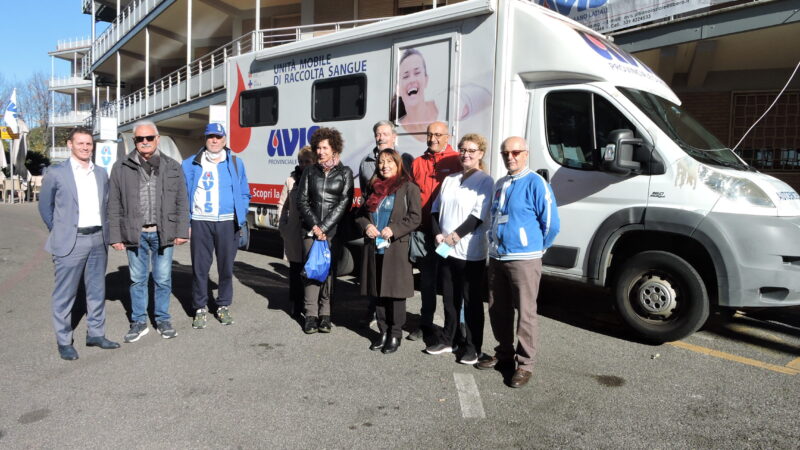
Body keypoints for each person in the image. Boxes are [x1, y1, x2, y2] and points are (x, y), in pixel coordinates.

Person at [476, 137, 560, 388]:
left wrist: (535, 248)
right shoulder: (501, 183)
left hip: (524, 258)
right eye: (505, 153)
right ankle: (504, 354)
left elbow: (551, 224)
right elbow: (495, 216)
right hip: (498, 256)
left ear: (526, 154)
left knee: (525, 313)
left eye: (515, 152)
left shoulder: (536, 183)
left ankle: (525, 364)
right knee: (498, 309)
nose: (510, 157)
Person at [38, 127, 120, 360]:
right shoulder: (56, 173)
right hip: (70, 241)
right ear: (70, 144)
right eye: (81, 143)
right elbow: (45, 207)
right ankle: (64, 340)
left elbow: (106, 206)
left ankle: (96, 333)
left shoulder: (101, 173)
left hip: (97, 239)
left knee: (96, 290)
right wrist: (59, 230)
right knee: (65, 294)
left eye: (89, 144)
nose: (85, 147)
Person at [108, 120, 190, 342]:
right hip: (135, 233)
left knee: (163, 279)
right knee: (137, 279)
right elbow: (113, 203)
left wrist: (183, 230)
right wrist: (115, 235)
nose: (145, 142)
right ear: (134, 141)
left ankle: (162, 319)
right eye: (140, 139)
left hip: (164, 232)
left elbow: (183, 200)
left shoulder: (173, 166)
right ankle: (139, 321)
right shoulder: (121, 167)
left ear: (157, 139)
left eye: (149, 138)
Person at [425, 133, 493, 364]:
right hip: (445, 249)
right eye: (463, 149)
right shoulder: (450, 179)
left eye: (471, 150)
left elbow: (478, 215)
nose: (466, 154)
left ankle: (473, 347)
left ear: (480, 154)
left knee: (471, 301)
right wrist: (438, 234)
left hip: (469, 252)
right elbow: (435, 210)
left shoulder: (485, 181)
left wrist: (454, 236)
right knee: (449, 298)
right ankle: (449, 339)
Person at [182, 123, 251, 329]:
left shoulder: (236, 163)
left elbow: (245, 192)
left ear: (224, 140)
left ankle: (222, 305)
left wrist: (241, 212)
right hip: (201, 221)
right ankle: (200, 307)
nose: (214, 140)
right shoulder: (189, 163)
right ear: (205, 139)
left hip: (228, 222)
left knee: (226, 268)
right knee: (200, 268)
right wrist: (187, 221)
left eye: (218, 137)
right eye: (210, 136)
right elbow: (183, 195)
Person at [356, 148, 421, 354]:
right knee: (378, 293)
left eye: (389, 162)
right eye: (381, 162)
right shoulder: (373, 187)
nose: (384, 166)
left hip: (396, 249)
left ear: (398, 164)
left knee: (395, 294)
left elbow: (414, 217)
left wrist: (394, 230)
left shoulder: (409, 187)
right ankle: (382, 331)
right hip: (374, 248)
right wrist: (367, 226)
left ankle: (395, 334)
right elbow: (360, 214)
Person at [407, 121, 462, 341]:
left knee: (452, 285)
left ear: (447, 137)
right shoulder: (418, 163)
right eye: (430, 134)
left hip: (449, 235)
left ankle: (456, 329)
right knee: (427, 282)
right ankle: (425, 324)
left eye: (438, 135)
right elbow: (411, 195)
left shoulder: (456, 160)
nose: (433, 139)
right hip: (425, 232)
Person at [297, 127, 354, 334]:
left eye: (324, 148)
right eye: (318, 148)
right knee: (312, 271)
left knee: (329, 273)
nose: (320, 152)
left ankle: (326, 315)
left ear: (334, 149)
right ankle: (310, 315)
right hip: (310, 231)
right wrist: (315, 226)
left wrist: (325, 227)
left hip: (333, 232)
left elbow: (344, 202)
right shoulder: (310, 171)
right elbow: (301, 201)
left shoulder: (345, 172)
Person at [277, 145, 315, 318]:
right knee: (295, 270)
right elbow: (282, 205)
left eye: (307, 161)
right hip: (293, 233)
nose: (303, 164)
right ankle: (295, 303)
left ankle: (310, 306)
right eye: (300, 161)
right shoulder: (290, 180)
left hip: (310, 233)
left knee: (310, 271)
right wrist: (283, 227)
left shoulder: (317, 179)